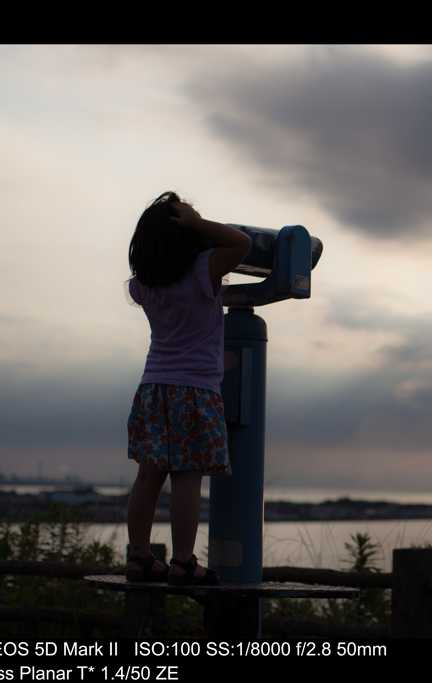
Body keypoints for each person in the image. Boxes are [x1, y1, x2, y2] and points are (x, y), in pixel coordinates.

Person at [123, 191, 252, 585]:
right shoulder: (203, 270)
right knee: (187, 478)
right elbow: (241, 244)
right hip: (194, 390)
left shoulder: (141, 285)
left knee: (148, 477)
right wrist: (198, 224)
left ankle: (139, 557)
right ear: (187, 239)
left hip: (152, 388)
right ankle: (182, 561)